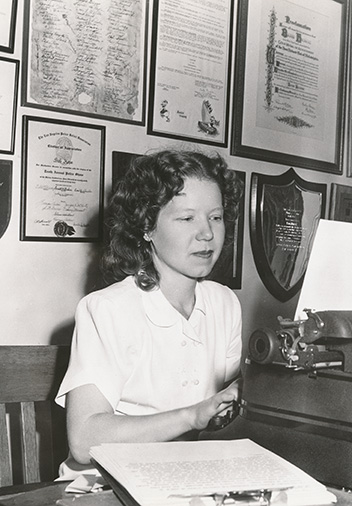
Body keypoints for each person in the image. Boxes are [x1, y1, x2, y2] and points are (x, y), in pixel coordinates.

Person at [55, 150, 244, 477]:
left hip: (187, 479)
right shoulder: (107, 310)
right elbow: (84, 442)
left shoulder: (225, 303)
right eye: (187, 218)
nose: (207, 234)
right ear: (146, 228)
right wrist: (191, 416)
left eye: (215, 217)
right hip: (106, 484)